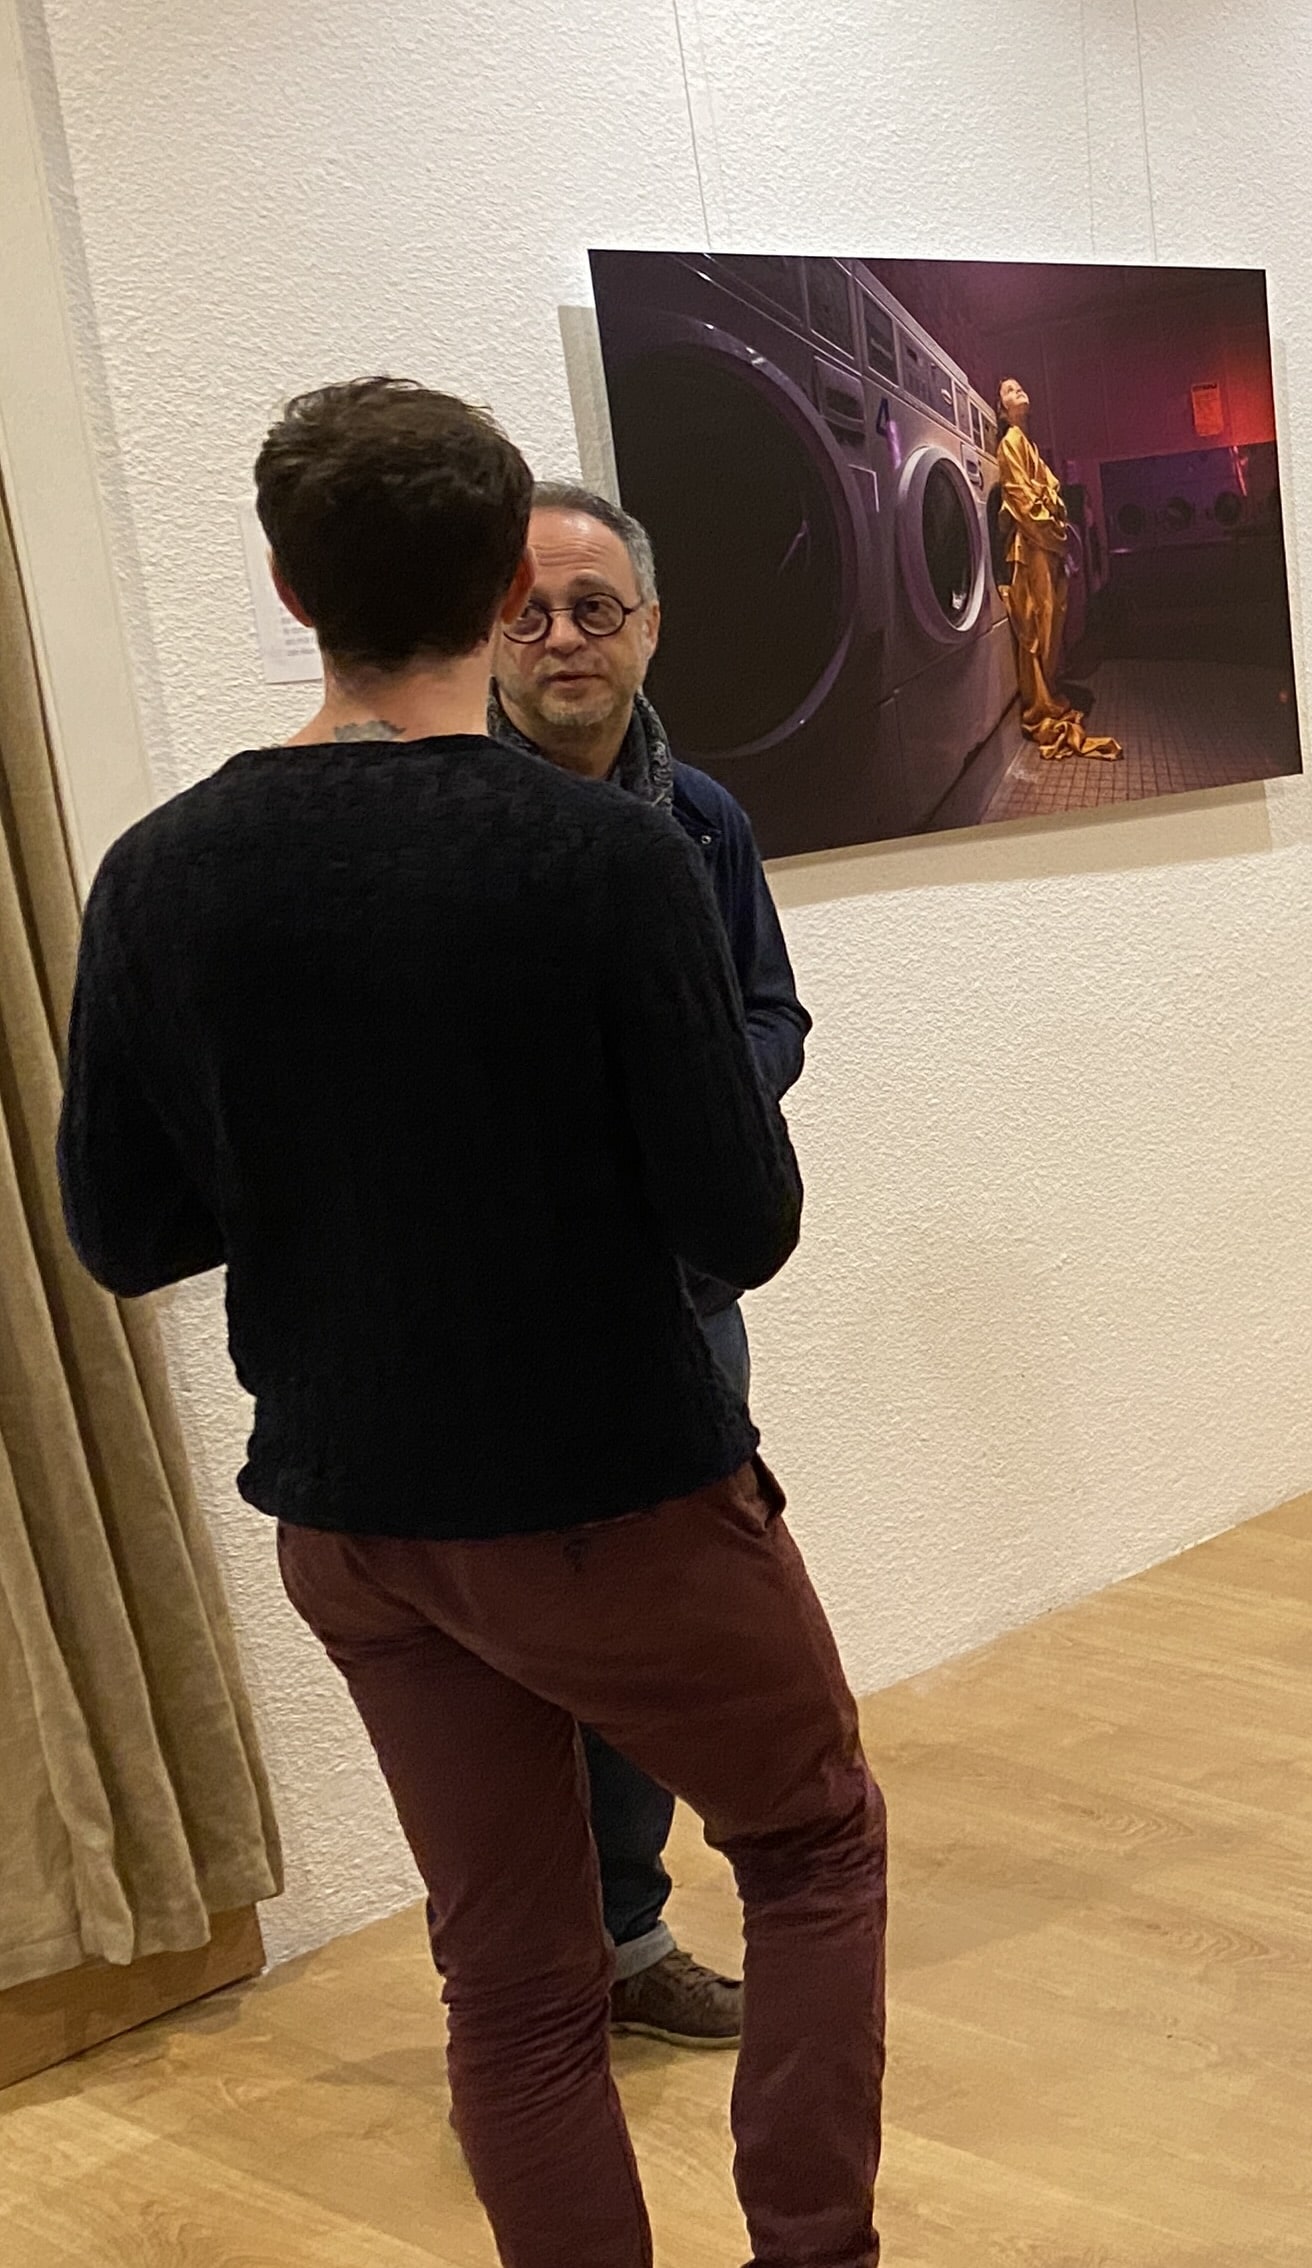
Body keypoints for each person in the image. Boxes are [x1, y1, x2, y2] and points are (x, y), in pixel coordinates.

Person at [57, 378, 886, 2268]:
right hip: (615, 1497)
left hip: (355, 1521)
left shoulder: (159, 870)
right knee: (813, 1842)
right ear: (505, 587)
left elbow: (125, 1227)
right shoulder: (606, 858)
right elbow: (743, 1222)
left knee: (511, 1979)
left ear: (290, 588)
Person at [486, 478, 813, 2054]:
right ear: (484, 636)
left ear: (650, 629)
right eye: (529, 612)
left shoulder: (703, 821)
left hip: (685, 1305)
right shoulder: (451, 831)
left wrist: (686, 1111)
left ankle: (626, 1937)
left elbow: (773, 1012)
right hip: (503, 1328)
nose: (565, 638)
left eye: (595, 608)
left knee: (661, 1642)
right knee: (505, 1667)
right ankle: (535, 1974)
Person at [994, 375, 1118, 760]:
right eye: (1010, 390)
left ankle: (1046, 695)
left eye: (1020, 386)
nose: (1019, 391)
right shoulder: (1010, 444)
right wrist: (1057, 534)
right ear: (1002, 410)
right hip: (1032, 550)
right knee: (1039, 627)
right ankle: (1040, 708)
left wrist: (1056, 528)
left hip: (1044, 547)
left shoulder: (1028, 445)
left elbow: (1053, 496)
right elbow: (1022, 501)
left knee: (1050, 625)